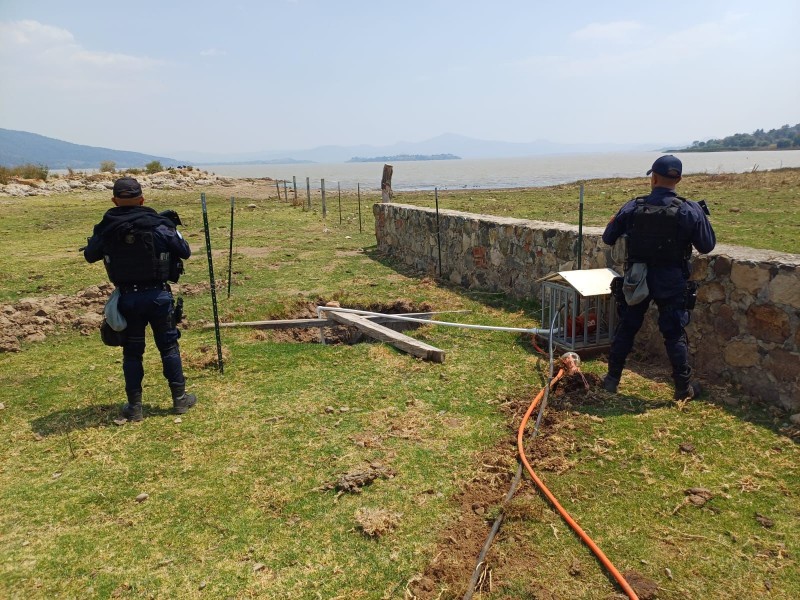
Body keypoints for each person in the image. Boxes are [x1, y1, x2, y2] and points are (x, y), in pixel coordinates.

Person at [601, 155, 716, 400]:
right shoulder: (689, 209)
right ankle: (683, 389)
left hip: (637, 278)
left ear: (653, 178)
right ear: (679, 179)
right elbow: (707, 246)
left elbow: (608, 237)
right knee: (674, 333)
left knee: (627, 328)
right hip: (672, 279)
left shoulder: (633, 206)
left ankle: (611, 380)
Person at [84, 176, 197, 421]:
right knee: (168, 347)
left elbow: (90, 255)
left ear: (114, 200)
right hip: (158, 296)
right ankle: (179, 400)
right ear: (142, 199)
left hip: (128, 299)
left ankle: (135, 408)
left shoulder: (106, 228)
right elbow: (185, 251)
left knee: (132, 353)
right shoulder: (159, 225)